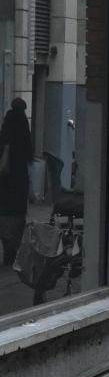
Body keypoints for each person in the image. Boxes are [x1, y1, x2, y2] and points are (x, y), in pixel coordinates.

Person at [0, 98, 32, 266]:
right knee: (18, 216)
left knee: (4, 215)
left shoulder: (6, 126)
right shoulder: (23, 126)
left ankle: (6, 249)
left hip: (5, 181)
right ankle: (13, 252)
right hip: (19, 181)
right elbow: (29, 154)